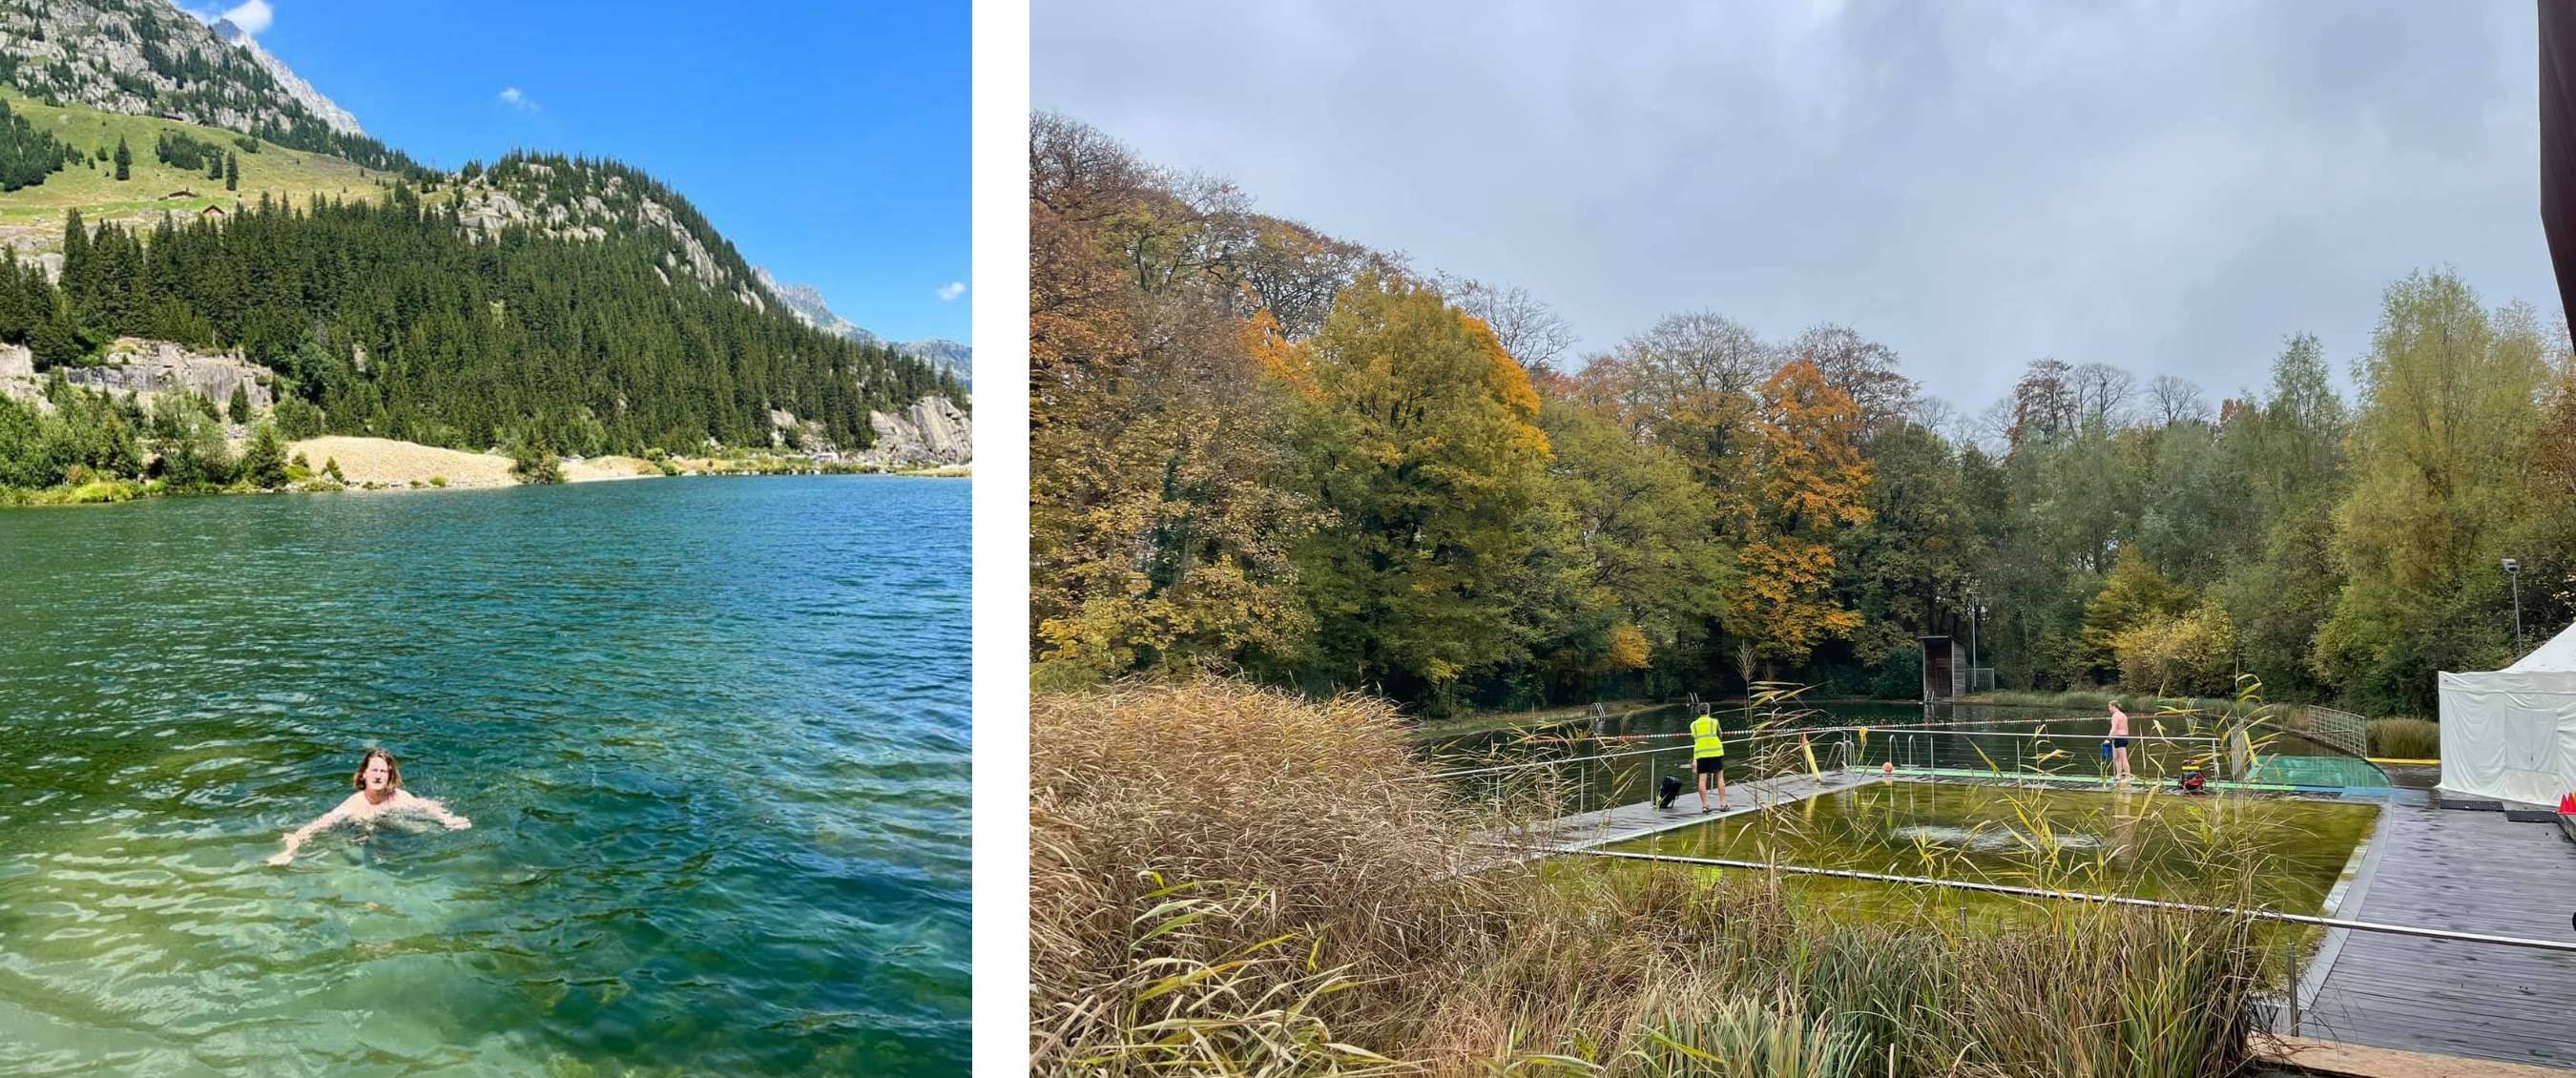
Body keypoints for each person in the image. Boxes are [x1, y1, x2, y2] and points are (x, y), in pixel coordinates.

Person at [266, 748, 470, 865]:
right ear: (364, 774)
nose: (378, 775)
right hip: (361, 833)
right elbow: (318, 825)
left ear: (390, 775)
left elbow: (428, 806)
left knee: (423, 830)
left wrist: (448, 819)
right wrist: (290, 849)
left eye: (383, 771)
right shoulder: (354, 804)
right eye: (374, 770)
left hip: (394, 830)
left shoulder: (399, 797)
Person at [1690, 708, 1730, 812]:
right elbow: (1720, 735)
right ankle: (1723, 804)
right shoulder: (1714, 722)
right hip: (1715, 752)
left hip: (1701, 753)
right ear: (1708, 710)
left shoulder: (1693, 725)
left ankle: (1705, 806)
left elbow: (1694, 737)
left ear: (1699, 712)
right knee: (1720, 778)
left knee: (1702, 779)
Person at [2107, 702, 2132, 783]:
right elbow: (2126, 728)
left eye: (2109, 707)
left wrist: (2108, 738)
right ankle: (2118, 775)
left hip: (2119, 737)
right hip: (2123, 736)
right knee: (2116, 758)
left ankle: (2128, 777)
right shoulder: (2123, 715)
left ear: (2114, 706)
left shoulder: (2115, 716)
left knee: (2123, 758)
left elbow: (2114, 728)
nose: (2109, 709)